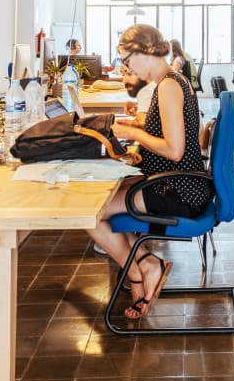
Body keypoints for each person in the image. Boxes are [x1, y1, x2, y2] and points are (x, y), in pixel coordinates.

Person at [87, 24, 212, 320]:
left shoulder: (168, 86)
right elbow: (171, 134)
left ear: (143, 51)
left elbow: (174, 150)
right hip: (177, 183)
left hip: (177, 190)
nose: (126, 67)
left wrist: (129, 133)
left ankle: (141, 270)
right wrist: (135, 128)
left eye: (127, 60)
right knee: (107, 199)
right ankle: (143, 266)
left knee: (89, 211)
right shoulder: (172, 80)